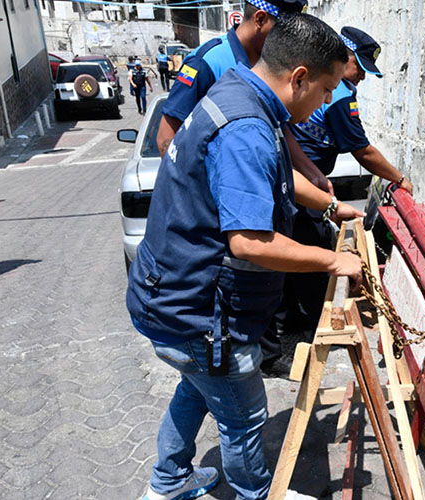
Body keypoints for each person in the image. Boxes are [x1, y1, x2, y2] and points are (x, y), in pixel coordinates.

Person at [126, 13, 362, 500]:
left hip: (168, 294)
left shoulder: (241, 91)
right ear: (299, 77)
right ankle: (257, 494)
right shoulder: (248, 127)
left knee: (197, 388)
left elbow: (270, 177)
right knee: (245, 415)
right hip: (198, 311)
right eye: (324, 90)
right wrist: (333, 262)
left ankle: (167, 484)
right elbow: (249, 242)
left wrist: (333, 207)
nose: (325, 103)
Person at [278, 26, 413, 343]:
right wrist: (400, 179)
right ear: (346, 56)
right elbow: (363, 151)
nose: (362, 78)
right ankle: (311, 330)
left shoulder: (332, 90)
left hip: (307, 179)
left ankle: (295, 323)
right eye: (360, 69)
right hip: (302, 191)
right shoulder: (338, 97)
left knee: (304, 252)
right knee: (309, 259)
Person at [155, 0, 332, 196]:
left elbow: (280, 127)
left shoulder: (271, 66)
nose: (291, 42)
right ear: (261, 19)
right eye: (284, 32)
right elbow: (167, 138)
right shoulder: (207, 62)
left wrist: (311, 173)